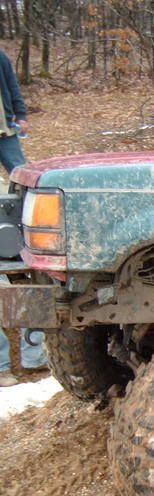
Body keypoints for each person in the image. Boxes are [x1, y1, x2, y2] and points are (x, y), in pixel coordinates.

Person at [0, 48, 46, 386]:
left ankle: (34, 352)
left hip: (5, 132)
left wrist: (18, 114)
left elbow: (11, 86)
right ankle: (4, 363)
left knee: (23, 188)